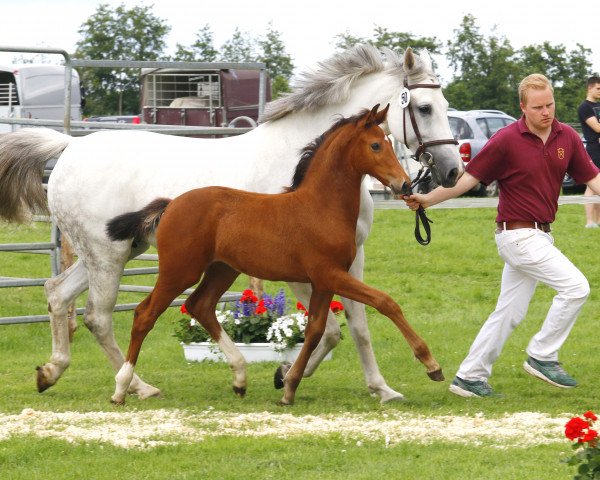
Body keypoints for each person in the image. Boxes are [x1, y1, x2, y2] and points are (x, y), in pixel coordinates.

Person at [404, 74, 600, 398]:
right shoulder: (506, 139)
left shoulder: (566, 136)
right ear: (522, 107)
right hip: (517, 236)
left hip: (540, 235)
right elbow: (468, 180)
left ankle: (469, 376)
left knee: (509, 312)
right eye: (537, 107)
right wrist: (427, 199)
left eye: (550, 104)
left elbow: (593, 178)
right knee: (576, 287)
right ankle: (542, 355)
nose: (546, 112)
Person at [578, 76, 600, 227]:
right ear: (589, 88)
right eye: (598, 88)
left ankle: (598, 221)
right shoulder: (584, 107)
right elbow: (598, 128)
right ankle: (589, 221)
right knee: (592, 185)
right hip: (594, 149)